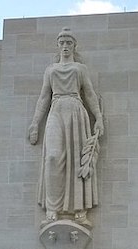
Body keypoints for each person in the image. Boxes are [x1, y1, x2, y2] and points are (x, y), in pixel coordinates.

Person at [28, 27, 104, 228]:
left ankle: (79, 211)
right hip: (56, 110)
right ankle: (52, 209)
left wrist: (99, 118)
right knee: (52, 157)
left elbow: (89, 94)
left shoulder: (80, 69)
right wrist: (35, 123)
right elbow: (44, 97)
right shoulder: (50, 70)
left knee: (76, 160)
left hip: (76, 111)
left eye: (68, 42)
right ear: (57, 45)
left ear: (74, 46)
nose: (65, 46)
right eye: (61, 42)